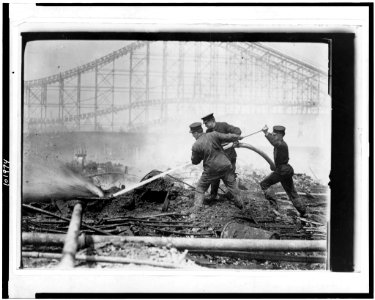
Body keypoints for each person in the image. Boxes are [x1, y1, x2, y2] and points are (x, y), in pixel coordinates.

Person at [189, 122, 244, 213]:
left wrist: (198, 156)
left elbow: (195, 162)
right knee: (233, 187)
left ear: (196, 133)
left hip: (211, 170)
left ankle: (196, 208)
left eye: (192, 134)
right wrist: (237, 137)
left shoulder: (196, 145)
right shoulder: (213, 134)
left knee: (200, 188)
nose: (193, 136)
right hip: (226, 166)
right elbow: (228, 137)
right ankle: (241, 205)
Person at [259, 125, 306, 216]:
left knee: (264, 184)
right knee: (291, 192)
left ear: (281, 135)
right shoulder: (280, 143)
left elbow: (274, 142)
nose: (274, 136)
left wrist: (266, 133)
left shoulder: (281, 144)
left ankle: (274, 208)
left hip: (283, 171)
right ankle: (303, 212)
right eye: (273, 134)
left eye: (275, 135)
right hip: (285, 171)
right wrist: (274, 166)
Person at [201, 113, 242, 201]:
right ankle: (213, 195)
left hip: (229, 156)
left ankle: (235, 197)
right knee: (214, 175)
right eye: (204, 124)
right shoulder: (208, 132)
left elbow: (238, 131)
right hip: (218, 159)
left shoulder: (223, 126)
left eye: (206, 123)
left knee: (230, 177)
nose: (205, 125)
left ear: (212, 120)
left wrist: (234, 140)